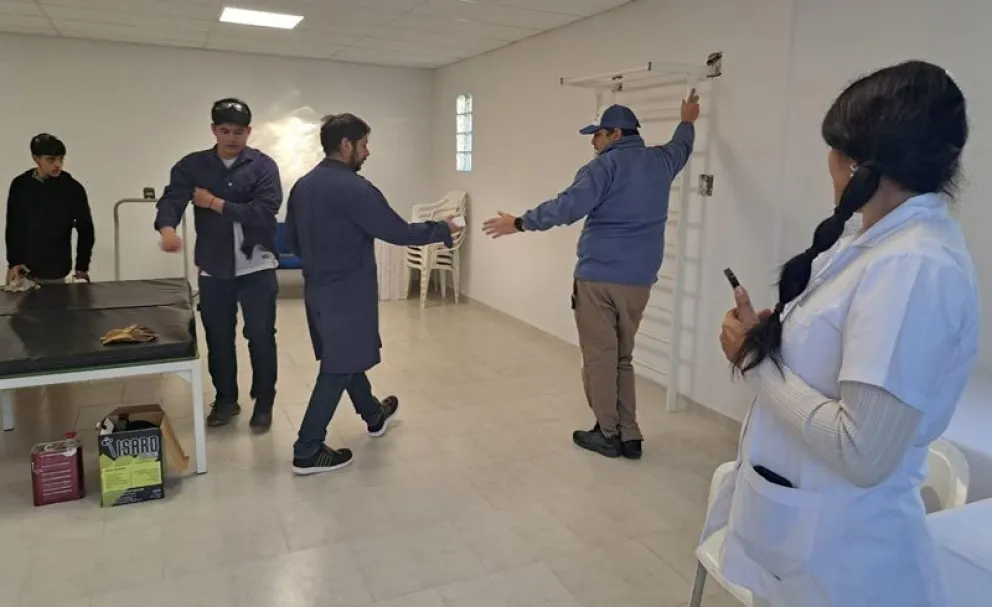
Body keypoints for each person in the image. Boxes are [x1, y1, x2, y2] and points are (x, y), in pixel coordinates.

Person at [706, 60, 977, 607]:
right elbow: (834, 348)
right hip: (808, 542)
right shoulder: (874, 243)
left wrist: (756, 365)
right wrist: (770, 337)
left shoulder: (914, 266)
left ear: (855, 166)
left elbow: (863, 451)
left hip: (847, 563)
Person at [482, 93, 700, 460]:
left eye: (596, 134)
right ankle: (630, 435)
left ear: (615, 133)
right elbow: (682, 146)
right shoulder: (660, 161)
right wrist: (687, 119)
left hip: (599, 279)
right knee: (623, 358)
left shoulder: (603, 167)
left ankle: (608, 434)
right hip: (640, 281)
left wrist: (518, 222)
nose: (592, 141)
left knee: (600, 358)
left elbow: (568, 206)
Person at [284, 113, 461, 475]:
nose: (368, 151)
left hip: (317, 290)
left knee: (345, 357)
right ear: (346, 145)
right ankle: (307, 449)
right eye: (364, 144)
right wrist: (442, 227)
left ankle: (374, 415)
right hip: (347, 293)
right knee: (338, 367)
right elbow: (397, 231)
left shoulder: (303, 185)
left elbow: (289, 238)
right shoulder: (355, 188)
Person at [154, 98, 283, 432]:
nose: (232, 138)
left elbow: (264, 212)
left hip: (257, 266)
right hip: (214, 269)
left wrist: (214, 203)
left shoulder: (263, 166)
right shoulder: (193, 165)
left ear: (249, 132)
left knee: (261, 335)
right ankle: (226, 399)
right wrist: (167, 229)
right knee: (218, 338)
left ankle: (264, 403)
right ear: (213, 130)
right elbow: (173, 198)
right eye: (225, 130)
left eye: (239, 132)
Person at [5, 133, 94, 284]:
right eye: (51, 160)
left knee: (53, 306)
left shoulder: (72, 188)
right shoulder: (21, 185)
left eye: (61, 159)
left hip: (55, 270)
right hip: (22, 269)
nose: (57, 164)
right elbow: (14, 225)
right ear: (36, 158)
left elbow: (86, 229)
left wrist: (82, 267)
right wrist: (13, 262)